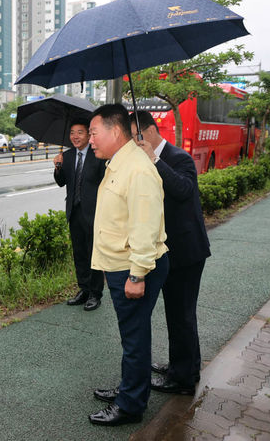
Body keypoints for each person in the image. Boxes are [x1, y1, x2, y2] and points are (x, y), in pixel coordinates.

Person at [86, 105, 169, 427]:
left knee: (134, 338)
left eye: (93, 132)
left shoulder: (137, 169)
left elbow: (145, 227)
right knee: (132, 334)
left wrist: (136, 274)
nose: (90, 139)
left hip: (134, 268)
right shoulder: (119, 163)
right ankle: (129, 387)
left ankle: (131, 404)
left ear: (115, 131)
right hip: (120, 265)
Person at [131, 111, 210, 394]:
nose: (133, 142)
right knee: (177, 313)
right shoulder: (149, 161)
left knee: (182, 314)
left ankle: (183, 380)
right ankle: (186, 365)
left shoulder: (179, 157)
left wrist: (154, 159)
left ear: (150, 132)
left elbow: (182, 189)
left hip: (187, 251)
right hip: (168, 251)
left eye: (135, 136)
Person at [53, 119, 107, 311]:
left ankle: (95, 293)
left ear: (88, 135)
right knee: (79, 253)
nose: (75, 136)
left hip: (94, 213)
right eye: (72, 133)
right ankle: (83, 289)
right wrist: (58, 167)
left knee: (94, 253)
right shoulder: (66, 156)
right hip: (74, 212)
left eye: (80, 133)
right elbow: (61, 182)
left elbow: (105, 183)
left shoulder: (98, 155)